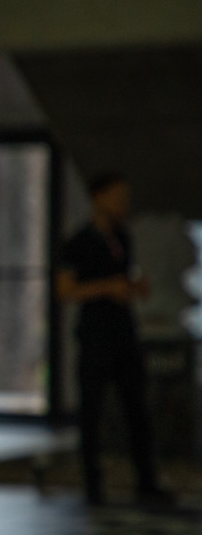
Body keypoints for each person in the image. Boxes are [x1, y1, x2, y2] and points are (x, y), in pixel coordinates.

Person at [56, 172, 170, 506]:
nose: (123, 204)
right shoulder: (78, 243)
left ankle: (146, 481)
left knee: (137, 409)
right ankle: (93, 485)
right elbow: (65, 290)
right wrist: (109, 288)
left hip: (124, 335)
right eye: (117, 197)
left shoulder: (122, 237)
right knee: (91, 412)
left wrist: (133, 288)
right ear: (98, 197)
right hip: (95, 338)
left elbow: (125, 279)